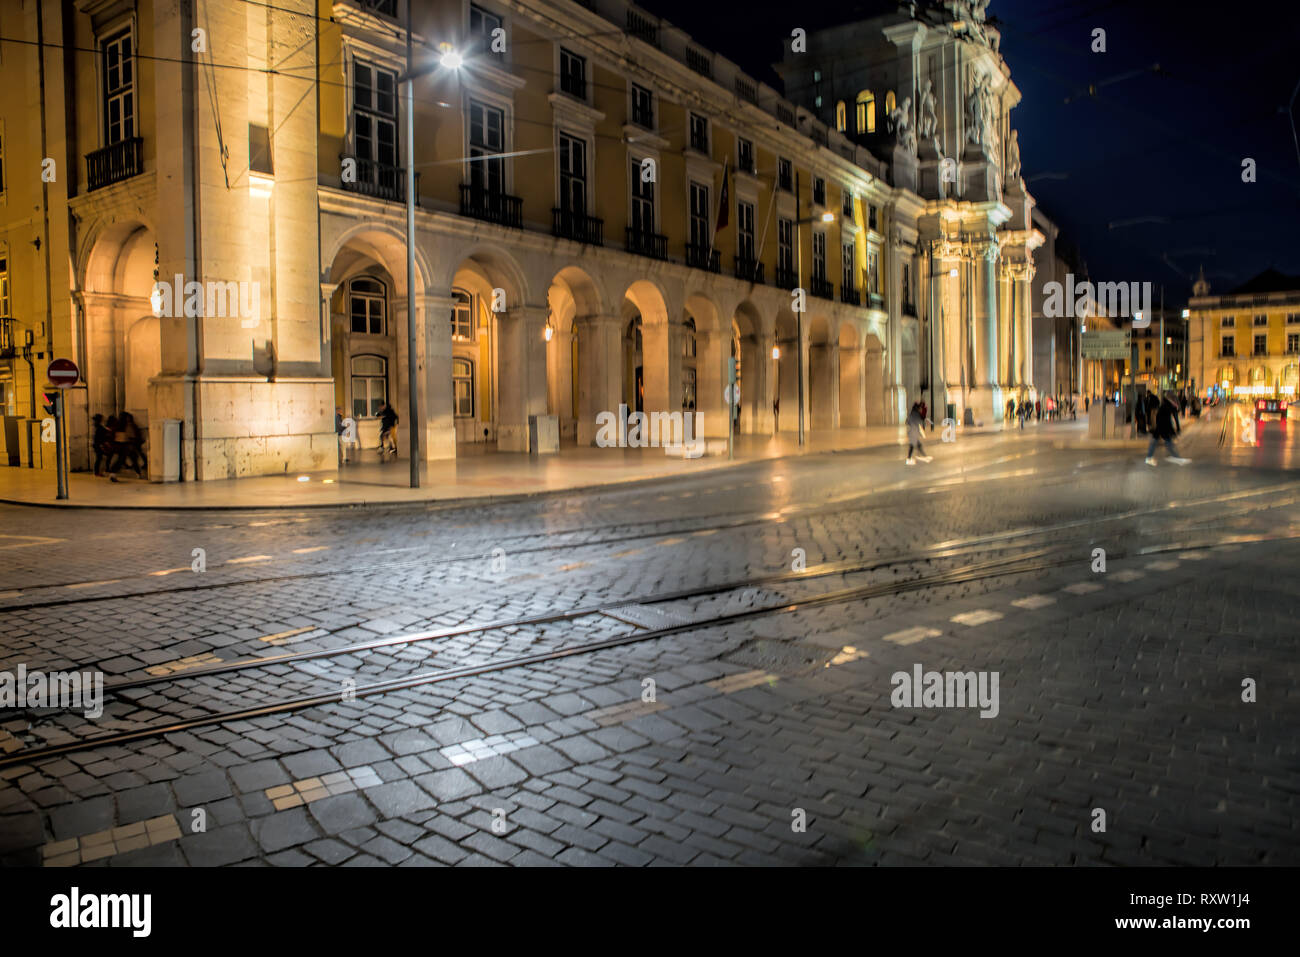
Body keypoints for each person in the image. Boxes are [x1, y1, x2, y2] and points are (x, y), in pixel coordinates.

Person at [1146, 392, 1190, 467]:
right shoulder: (1166, 407)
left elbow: (1165, 419)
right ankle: (1176, 458)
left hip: (1161, 428)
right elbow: (1166, 420)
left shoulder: (1166, 406)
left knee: (1163, 443)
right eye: (1174, 401)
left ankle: (1150, 457)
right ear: (1171, 400)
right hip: (1162, 428)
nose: (1175, 403)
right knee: (1165, 443)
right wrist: (1172, 431)